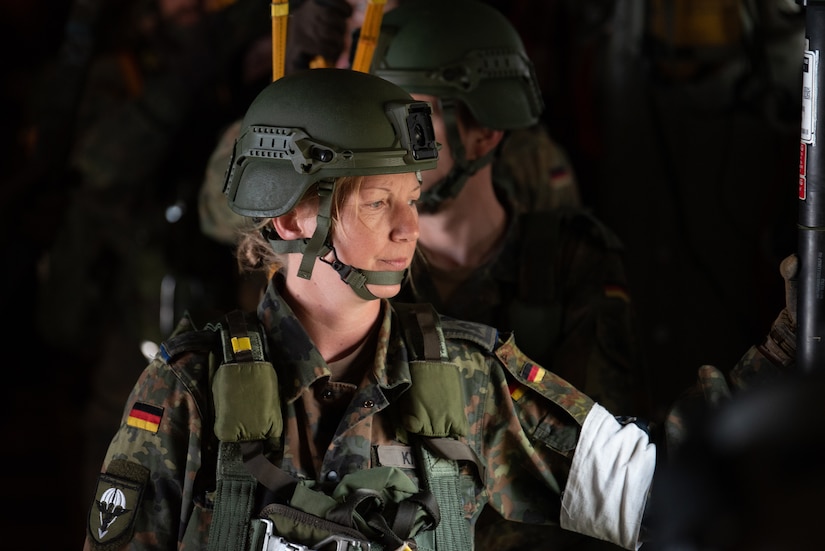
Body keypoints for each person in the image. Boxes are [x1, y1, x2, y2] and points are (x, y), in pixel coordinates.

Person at [83, 68, 660, 551]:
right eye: (378, 202)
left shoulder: (468, 376)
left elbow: (647, 487)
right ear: (290, 220)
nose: (410, 228)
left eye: (413, 198)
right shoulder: (187, 389)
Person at [366, 2, 647, 549]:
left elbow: (600, 470)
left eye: (408, 119)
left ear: (484, 133)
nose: (383, 143)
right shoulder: (355, 270)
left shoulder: (570, 261)